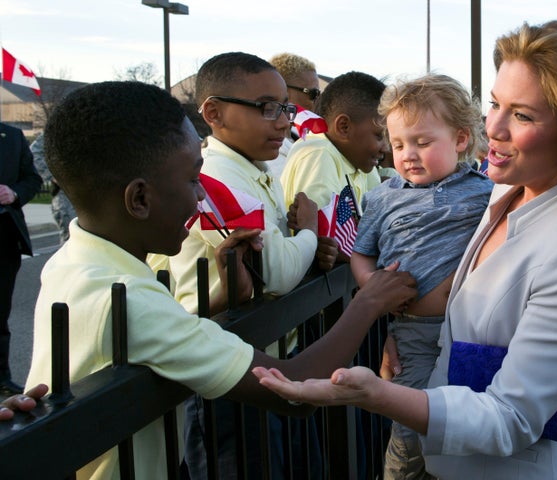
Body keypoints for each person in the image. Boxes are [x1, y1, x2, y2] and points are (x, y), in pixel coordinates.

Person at [253, 19, 557, 479]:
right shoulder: (502, 192)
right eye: (495, 104)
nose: (491, 127)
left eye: (522, 115)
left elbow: (511, 417)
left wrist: (374, 394)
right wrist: (412, 331)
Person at [24, 80, 417, 480]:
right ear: (139, 199)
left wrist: (217, 301)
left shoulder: (72, 264)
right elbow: (291, 389)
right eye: (193, 179)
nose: (200, 197)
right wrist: (369, 302)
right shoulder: (126, 298)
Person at [168, 51, 336, 480]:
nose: (283, 122)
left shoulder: (254, 170)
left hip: (270, 356)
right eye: (267, 108)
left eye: (286, 108)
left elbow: (283, 259)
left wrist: (308, 247)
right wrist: (310, 234)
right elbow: (277, 271)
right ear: (214, 112)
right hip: (227, 376)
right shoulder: (216, 178)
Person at [350, 73, 493, 478]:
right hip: (415, 331)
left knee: (464, 425)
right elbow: (361, 255)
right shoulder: (382, 197)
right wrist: (372, 289)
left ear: (461, 139)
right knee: (411, 425)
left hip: (473, 329)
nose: (408, 153)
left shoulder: (486, 192)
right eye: (397, 144)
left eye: (422, 142)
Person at [280, 70, 387, 242]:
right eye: (380, 136)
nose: (386, 148)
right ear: (344, 127)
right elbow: (323, 240)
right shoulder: (318, 154)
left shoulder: (360, 163)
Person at [0, 122, 42, 396]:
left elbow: (33, 180)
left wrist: (14, 193)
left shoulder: (13, 137)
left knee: (0, 313)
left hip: (4, 239)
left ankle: (2, 377)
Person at [263, 52, 322, 179]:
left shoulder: (298, 137)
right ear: (284, 91)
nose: (318, 100)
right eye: (313, 93)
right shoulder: (269, 148)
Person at [30, 131, 77, 245]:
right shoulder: (61, 127)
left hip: (94, 195)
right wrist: (54, 176)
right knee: (71, 242)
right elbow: (34, 152)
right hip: (67, 196)